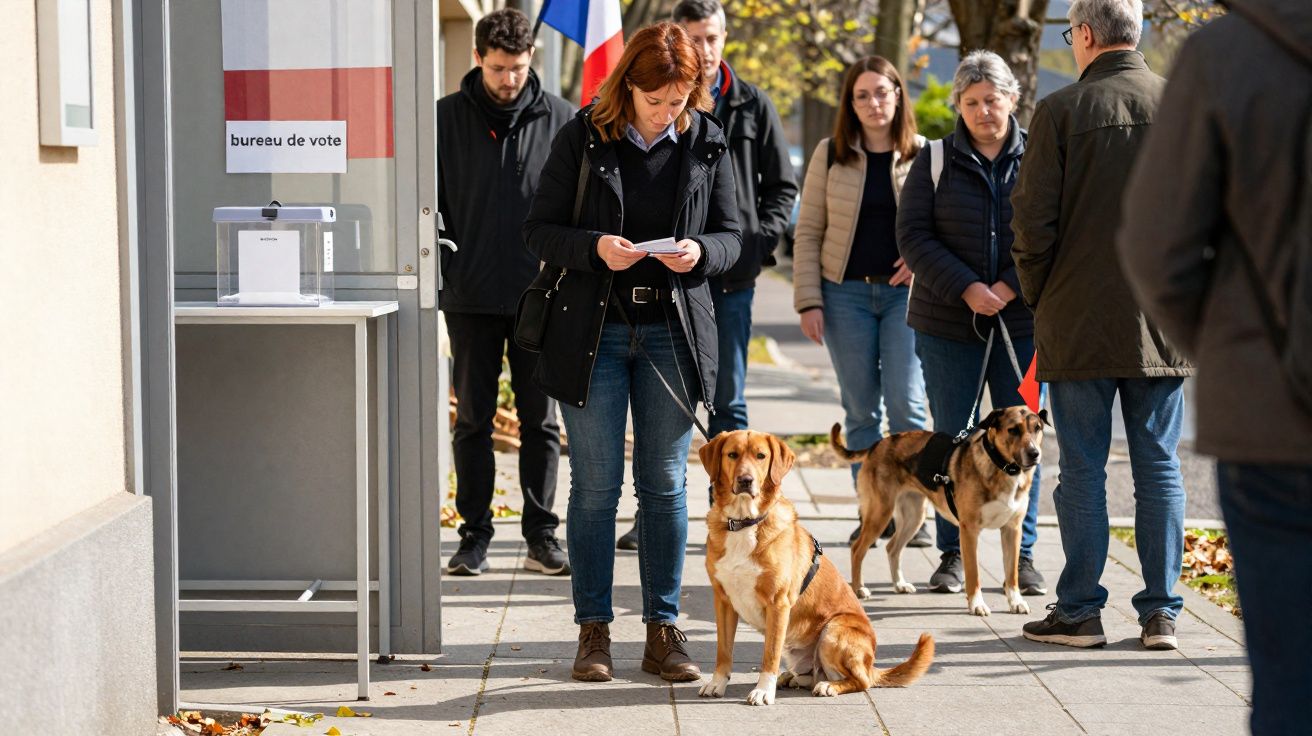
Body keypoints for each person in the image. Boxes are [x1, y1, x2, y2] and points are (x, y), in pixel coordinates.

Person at [522, 22, 740, 684]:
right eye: (656, 101)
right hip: (595, 333)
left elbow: (736, 236)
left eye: (678, 101)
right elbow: (539, 229)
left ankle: (663, 631)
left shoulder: (706, 140)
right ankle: (594, 631)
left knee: (666, 484)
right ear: (630, 86)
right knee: (594, 487)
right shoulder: (584, 135)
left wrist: (700, 251)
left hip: (673, 335)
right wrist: (595, 247)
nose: (667, 112)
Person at [1116, 0, 1312, 730]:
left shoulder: (1224, 55)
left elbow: (1156, 248)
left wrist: (1233, 350)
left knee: (1291, 677)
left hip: (1271, 423)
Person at [1011, 0, 1192, 650]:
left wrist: (1042, 294)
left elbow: (1032, 225)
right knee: (1160, 466)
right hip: (1163, 320)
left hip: (1078, 316)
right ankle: (1161, 614)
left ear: (1085, 35)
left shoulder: (1061, 112)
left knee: (1082, 469)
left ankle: (1081, 610)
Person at [614, 0, 799, 552]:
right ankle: (658, 513)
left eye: (714, 37)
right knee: (665, 405)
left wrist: (749, 248)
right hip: (667, 287)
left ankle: (737, 516)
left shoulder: (750, 104)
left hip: (729, 280)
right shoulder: (660, 104)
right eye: (696, 38)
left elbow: (780, 189)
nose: (707, 47)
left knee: (726, 402)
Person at [896, 50, 1045, 597]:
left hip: (1022, 322)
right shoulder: (933, 160)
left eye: (993, 100)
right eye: (973, 102)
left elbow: (1051, 232)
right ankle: (954, 552)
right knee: (953, 436)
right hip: (945, 323)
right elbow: (913, 236)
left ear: (1012, 99)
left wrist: (1007, 285)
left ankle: (1021, 554)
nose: (984, 111)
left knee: (1025, 438)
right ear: (959, 104)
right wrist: (967, 288)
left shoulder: (1040, 156)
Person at [436, 8, 573, 577]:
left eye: (517, 68)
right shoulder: (443, 120)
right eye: (497, 68)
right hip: (468, 297)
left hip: (540, 296)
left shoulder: (564, 120)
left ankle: (542, 534)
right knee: (472, 418)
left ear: (530, 60)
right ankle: (474, 536)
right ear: (477, 59)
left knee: (541, 421)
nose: (508, 79)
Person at [792, 56, 931, 547]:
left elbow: (943, 229)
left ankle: (912, 519)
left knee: (907, 406)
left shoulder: (924, 154)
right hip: (843, 294)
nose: (874, 103)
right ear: (850, 104)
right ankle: (876, 515)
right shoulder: (830, 154)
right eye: (862, 95)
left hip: (905, 299)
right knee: (860, 412)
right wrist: (809, 301)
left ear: (898, 94)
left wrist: (919, 262)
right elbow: (807, 232)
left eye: (882, 92)